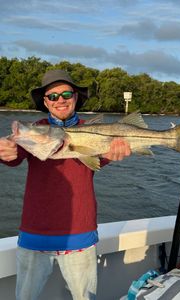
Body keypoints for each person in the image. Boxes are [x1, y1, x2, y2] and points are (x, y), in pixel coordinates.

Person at [0, 69, 131, 300]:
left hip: (80, 233)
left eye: (66, 94)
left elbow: (97, 160)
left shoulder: (94, 130)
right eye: (52, 96)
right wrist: (5, 151)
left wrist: (115, 153)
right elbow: (13, 154)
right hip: (34, 234)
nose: (60, 100)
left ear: (75, 97)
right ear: (45, 102)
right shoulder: (35, 131)